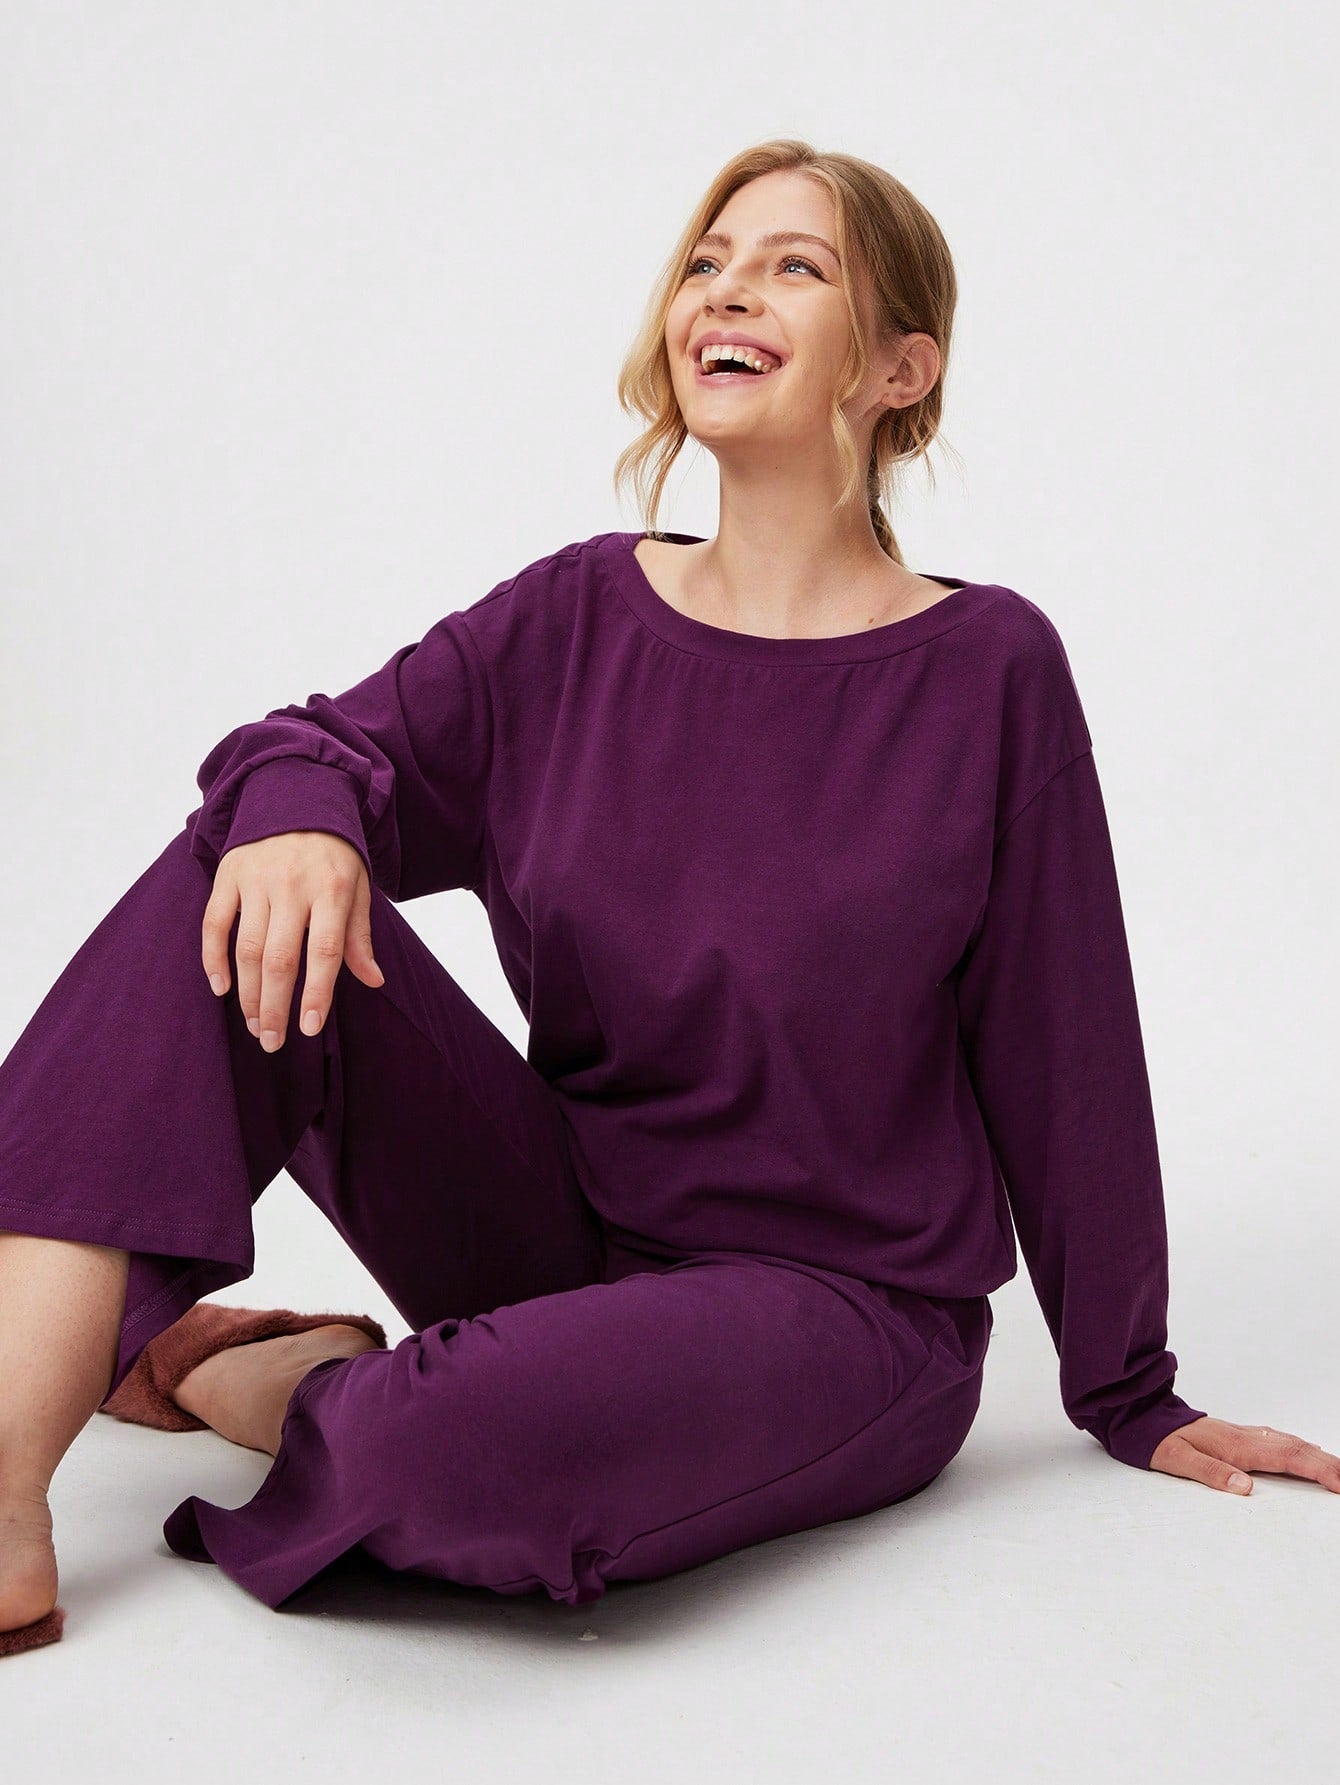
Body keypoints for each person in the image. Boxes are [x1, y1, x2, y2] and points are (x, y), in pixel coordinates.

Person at [4, 139, 1337, 1657]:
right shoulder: (576, 617)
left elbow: (1066, 1038)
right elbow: (310, 745)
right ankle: (5, 1477)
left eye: (794, 265)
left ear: (900, 369)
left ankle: (248, 1372)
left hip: (842, 1309)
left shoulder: (987, 670)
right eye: (709, 261)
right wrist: (306, 808)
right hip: (557, 1229)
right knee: (245, 855)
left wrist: (1129, 1386)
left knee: (433, 1454)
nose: (728, 289)